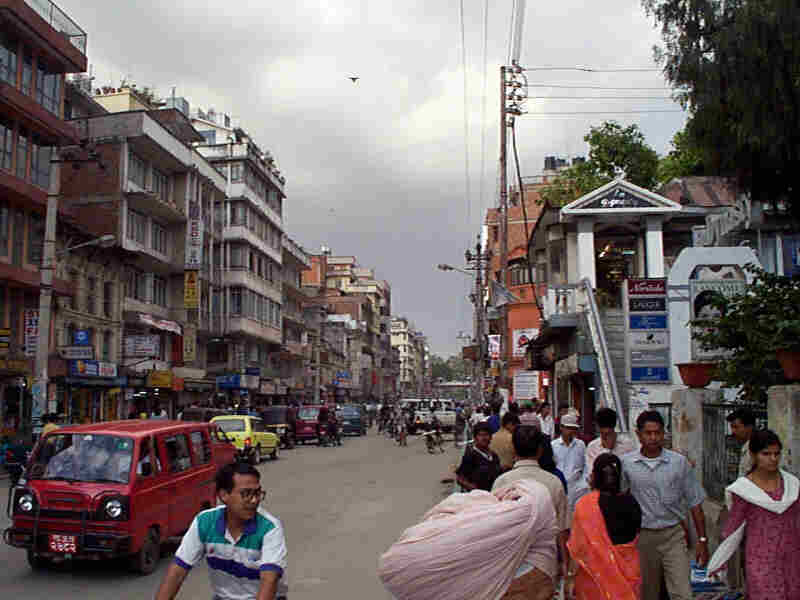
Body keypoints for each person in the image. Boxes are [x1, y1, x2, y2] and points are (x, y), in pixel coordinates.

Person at [156, 462, 287, 600]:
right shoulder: (204, 522)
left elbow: (269, 581)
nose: (254, 500)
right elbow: (177, 572)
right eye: (246, 493)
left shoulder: (270, 528)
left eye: (257, 493)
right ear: (224, 495)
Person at [621, 410, 708, 600]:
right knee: (647, 593)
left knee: (682, 592)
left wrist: (702, 541)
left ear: (664, 433)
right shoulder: (627, 464)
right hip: (643, 537)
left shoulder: (678, 463)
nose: (653, 438)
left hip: (673, 535)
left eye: (657, 433)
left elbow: (695, 503)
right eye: (648, 433)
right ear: (638, 434)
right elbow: (620, 500)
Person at [707, 429, 800, 600]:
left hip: (792, 558)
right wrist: (720, 559)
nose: (773, 459)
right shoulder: (744, 490)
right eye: (766, 454)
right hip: (761, 559)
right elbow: (732, 529)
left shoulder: (792, 485)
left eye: (776, 454)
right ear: (753, 454)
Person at [493, 426, 569, 597]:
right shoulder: (554, 482)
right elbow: (562, 530)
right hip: (544, 569)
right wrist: (565, 564)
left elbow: (495, 530)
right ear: (540, 450)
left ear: (513, 449)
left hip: (509, 568)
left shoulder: (501, 482)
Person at [566, 453, 642, 600]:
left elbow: (578, 549)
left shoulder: (585, 505)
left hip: (596, 582)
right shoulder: (631, 502)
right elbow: (636, 534)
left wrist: (570, 577)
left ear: (595, 476)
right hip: (628, 576)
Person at [551, 413, 587, 526]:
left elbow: (585, 465)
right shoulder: (553, 445)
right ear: (561, 427)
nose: (571, 431)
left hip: (578, 488)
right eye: (568, 428)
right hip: (559, 486)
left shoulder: (581, 445)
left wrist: (583, 484)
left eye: (573, 428)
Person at [584, 408, 637, 483]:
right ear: (598, 427)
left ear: (614, 426)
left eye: (609, 433)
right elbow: (590, 474)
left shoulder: (628, 445)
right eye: (604, 434)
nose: (606, 436)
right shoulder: (592, 447)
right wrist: (608, 450)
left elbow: (633, 472)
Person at [456, 422, 502, 492]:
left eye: (486, 435)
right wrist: (473, 488)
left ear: (491, 437)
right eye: (480, 435)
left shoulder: (494, 456)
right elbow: (460, 479)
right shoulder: (470, 456)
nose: (484, 438)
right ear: (475, 437)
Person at [726, 408, 756, 477]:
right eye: (732, 427)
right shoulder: (746, 446)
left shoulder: (757, 448)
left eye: (736, 427)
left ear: (749, 427)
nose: (733, 431)